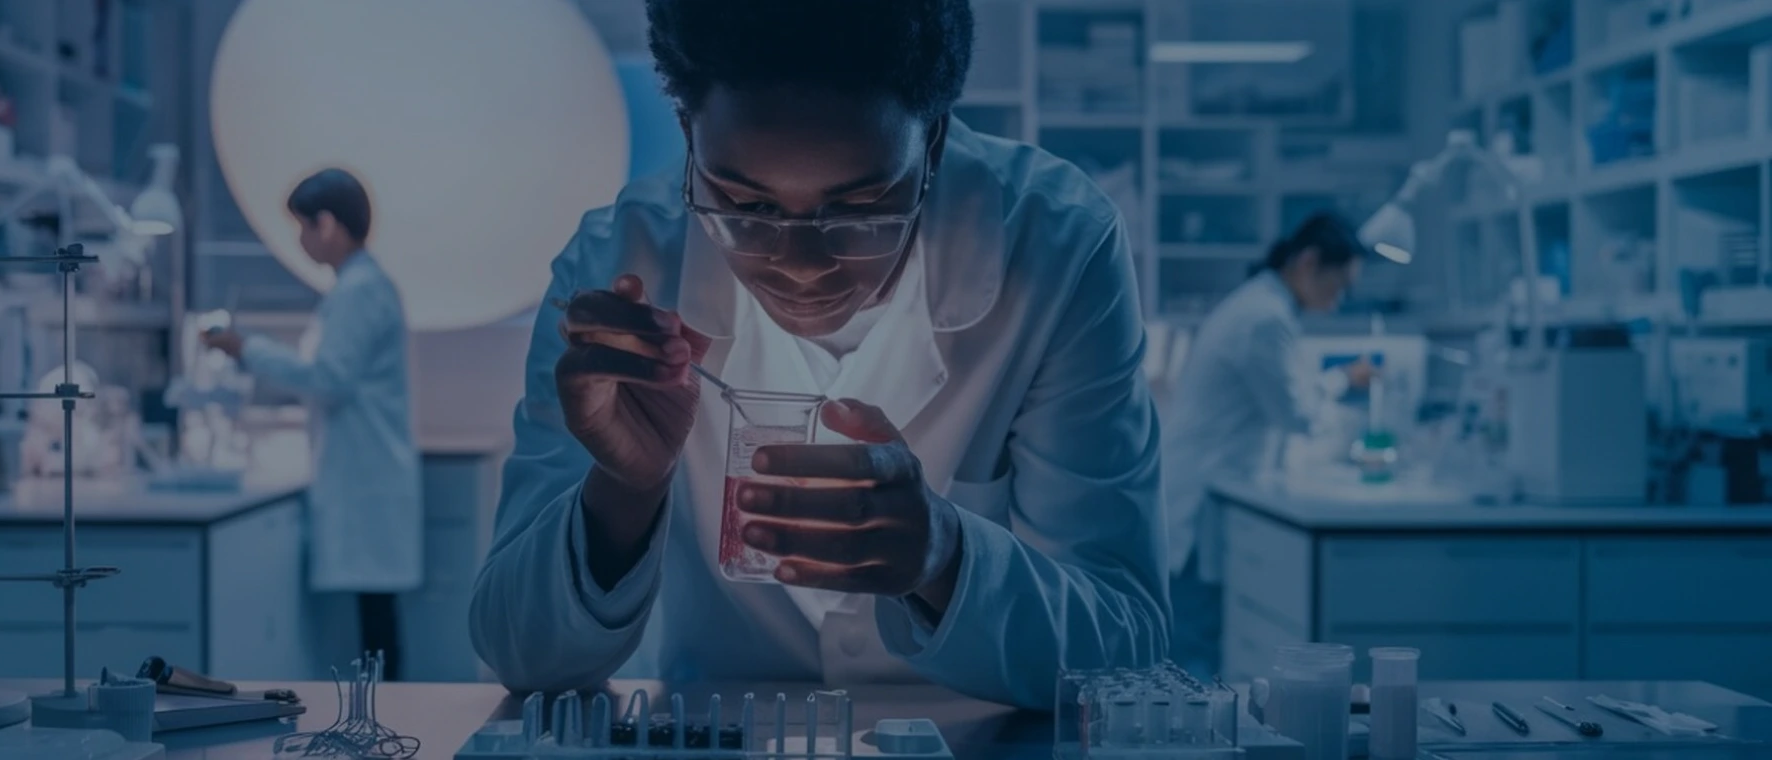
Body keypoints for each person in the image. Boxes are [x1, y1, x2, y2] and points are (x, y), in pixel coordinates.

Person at [467, 0, 1169, 710]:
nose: (801, 265)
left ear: (932, 146)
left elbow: (1126, 643)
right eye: (748, 207)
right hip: (723, 733)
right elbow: (521, 655)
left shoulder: (1057, 246)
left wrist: (946, 559)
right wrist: (624, 488)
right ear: (688, 136)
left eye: (861, 208)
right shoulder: (620, 262)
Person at [201, 168, 420, 679]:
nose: (300, 241)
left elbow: (329, 377)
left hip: (367, 476)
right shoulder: (359, 287)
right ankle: (380, 723)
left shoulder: (359, 291)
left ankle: (385, 728)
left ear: (327, 225)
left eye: (302, 227)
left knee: (377, 621)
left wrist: (245, 348)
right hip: (367, 471)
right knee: (375, 616)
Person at [1160, 210, 1376, 677]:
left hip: (1207, 494)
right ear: (1308, 262)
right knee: (1195, 650)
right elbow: (1297, 414)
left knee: (1198, 644)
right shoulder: (1263, 318)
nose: (1338, 302)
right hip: (1200, 506)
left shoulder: (1260, 306)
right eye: (1338, 286)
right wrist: (1342, 378)